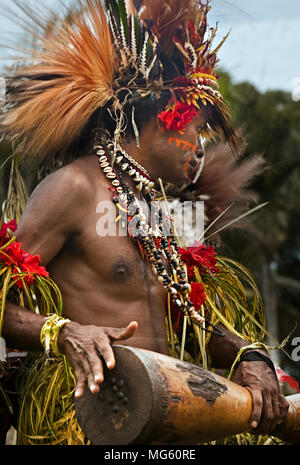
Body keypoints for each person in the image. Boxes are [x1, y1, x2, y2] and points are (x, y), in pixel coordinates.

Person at [0, 0, 289, 444]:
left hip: (163, 419)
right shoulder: (73, 188)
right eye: (196, 129)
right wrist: (65, 333)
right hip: (89, 424)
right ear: (158, 122)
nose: (199, 147)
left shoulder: (153, 210)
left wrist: (250, 355)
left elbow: (182, 319)